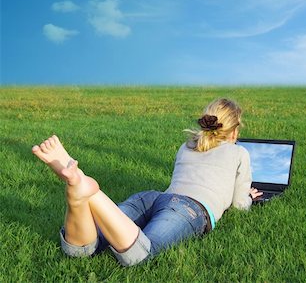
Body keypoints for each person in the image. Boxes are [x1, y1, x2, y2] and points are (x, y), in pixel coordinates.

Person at [32, 98, 263, 267]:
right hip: (189, 209)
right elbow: (239, 205)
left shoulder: (188, 146)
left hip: (154, 198)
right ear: (234, 132)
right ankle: (89, 191)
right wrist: (249, 198)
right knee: (142, 253)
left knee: (84, 249)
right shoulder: (239, 153)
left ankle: (80, 189)